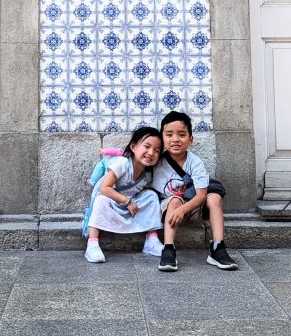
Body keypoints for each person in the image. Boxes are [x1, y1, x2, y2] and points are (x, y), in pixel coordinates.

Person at [153, 110, 238, 272]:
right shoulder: (156, 162)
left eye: (182, 134)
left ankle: (218, 247)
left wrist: (183, 209)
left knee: (214, 198)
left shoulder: (194, 162)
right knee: (174, 200)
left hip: (193, 208)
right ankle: (169, 248)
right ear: (162, 139)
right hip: (170, 209)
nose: (175, 139)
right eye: (169, 134)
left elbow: (201, 196)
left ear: (190, 140)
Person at [83, 126, 164, 263]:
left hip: (131, 204)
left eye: (157, 150)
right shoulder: (122, 163)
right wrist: (126, 201)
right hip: (114, 200)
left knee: (151, 196)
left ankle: (151, 239)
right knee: (101, 200)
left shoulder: (148, 174)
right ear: (133, 146)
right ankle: (92, 244)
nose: (151, 153)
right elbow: (105, 188)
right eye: (147, 146)